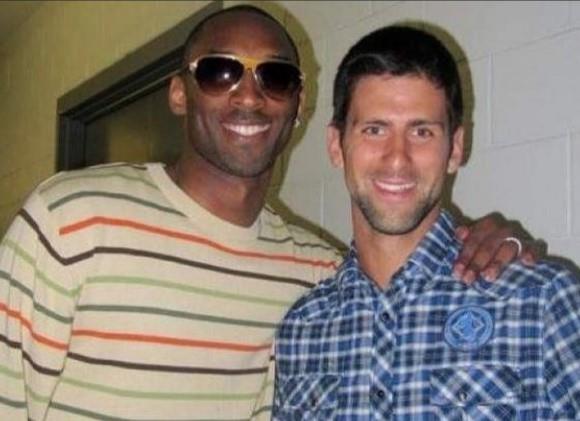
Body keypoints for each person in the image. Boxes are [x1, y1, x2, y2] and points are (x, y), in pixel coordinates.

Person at [0, 6, 538, 421]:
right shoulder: (70, 222)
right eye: (220, 72)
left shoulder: (317, 276)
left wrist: (494, 244)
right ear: (179, 93)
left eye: (275, 78)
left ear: (298, 105)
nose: (249, 96)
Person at [273, 24, 580, 420]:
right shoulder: (302, 328)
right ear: (336, 146)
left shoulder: (541, 303)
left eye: (421, 132)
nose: (397, 157)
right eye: (374, 129)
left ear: (455, 148)